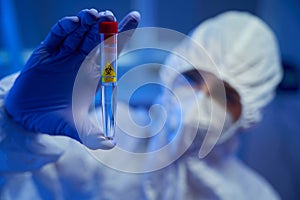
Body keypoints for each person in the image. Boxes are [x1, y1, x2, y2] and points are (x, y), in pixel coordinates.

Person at [0, 9, 282, 200]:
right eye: (193, 77)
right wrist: (13, 126)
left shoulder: (255, 194)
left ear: (250, 116)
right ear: (172, 70)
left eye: (226, 96)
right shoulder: (104, 137)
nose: (200, 98)